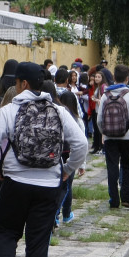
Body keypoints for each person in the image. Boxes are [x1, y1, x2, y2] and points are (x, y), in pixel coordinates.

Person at [0, 62, 88, 257]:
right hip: (48, 186)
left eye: (16, 83)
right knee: (38, 240)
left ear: (23, 84)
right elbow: (81, 144)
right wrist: (66, 170)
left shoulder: (9, 110)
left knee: (6, 228)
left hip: (15, 182)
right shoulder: (58, 110)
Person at [96, 64, 129, 209]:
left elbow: (99, 120)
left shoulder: (105, 95)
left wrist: (104, 132)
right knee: (127, 166)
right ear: (127, 78)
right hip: (127, 137)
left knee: (112, 167)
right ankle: (126, 197)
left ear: (114, 78)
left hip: (110, 138)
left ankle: (113, 200)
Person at [57, 90, 87, 224]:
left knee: (58, 186)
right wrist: (82, 164)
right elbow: (82, 143)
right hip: (71, 155)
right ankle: (66, 213)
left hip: (57, 154)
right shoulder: (77, 120)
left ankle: (56, 216)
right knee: (67, 185)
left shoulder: (57, 115)